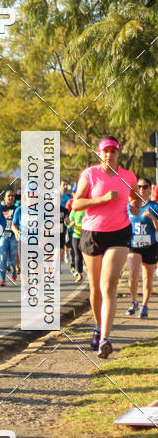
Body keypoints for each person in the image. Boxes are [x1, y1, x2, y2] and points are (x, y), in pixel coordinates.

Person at [72, 137, 138, 358]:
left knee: (109, 285)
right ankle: (98, 327)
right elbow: (76, 203)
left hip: (119, 233)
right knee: (95, 288)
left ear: (118, 153)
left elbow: (134, 198)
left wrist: (135, 205)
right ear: (100, 153)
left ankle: (105, 339)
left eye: (113, 151)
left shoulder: (128, 176)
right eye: (105, 151)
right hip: (92, 234)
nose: (109, 155)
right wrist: (101, 199)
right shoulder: (89, 174)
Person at [125, 176, 158, 319]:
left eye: (145, 186)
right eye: (138, 186)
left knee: (147, 278)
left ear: (150, 189)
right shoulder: (130, 206)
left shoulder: (155, 207)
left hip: (150, 245)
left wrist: (152, 218)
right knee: (133, 274)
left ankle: (144, 305)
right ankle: (133, 301)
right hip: (134, 245)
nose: (142, 189)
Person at [0, 189, 19, 285]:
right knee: (3, 258)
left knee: (12, 259)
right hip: (3, 236)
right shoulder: (1, 209)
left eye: (12, 196)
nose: (10, 197)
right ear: (5, 198)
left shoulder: (17, 209)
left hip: (13, 236)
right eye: (8, 196)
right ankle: (3, 280)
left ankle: (14, 269)